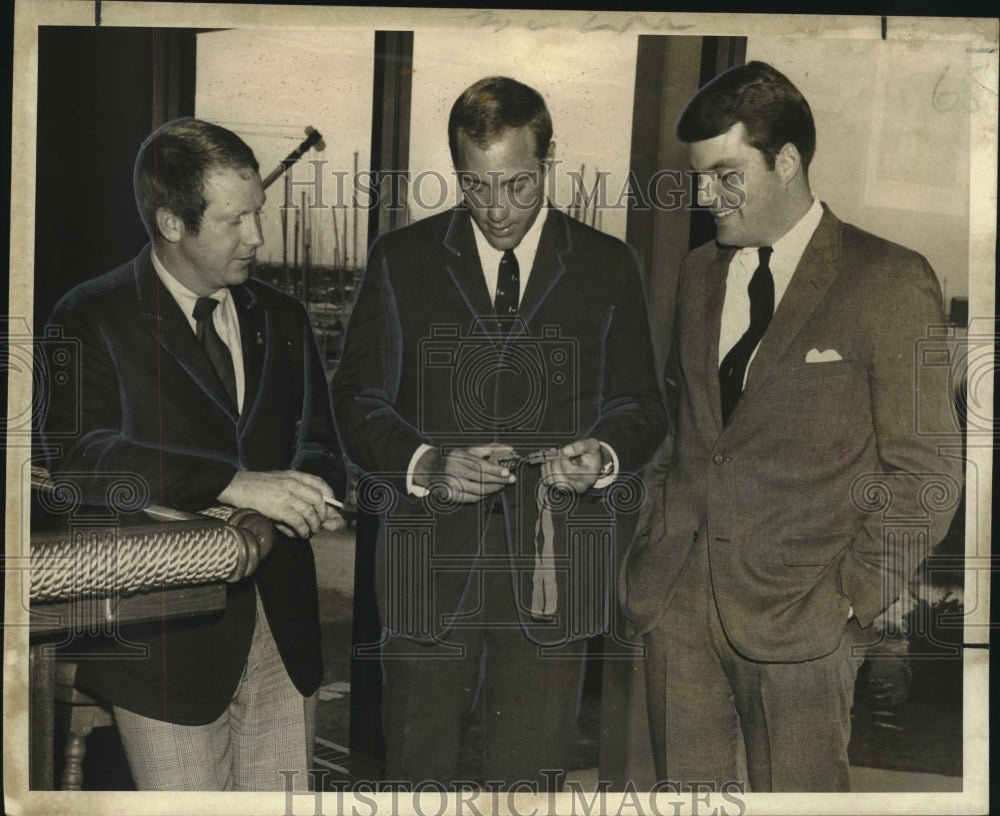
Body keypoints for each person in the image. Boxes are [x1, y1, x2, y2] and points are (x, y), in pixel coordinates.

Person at [621, 61, 963, 792]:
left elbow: (929, 472)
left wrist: (854, 595)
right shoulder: (698, 275)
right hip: (678, 609)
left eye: (725, 174)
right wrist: (653, 544)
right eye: (698, 176)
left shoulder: (889, 279)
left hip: (807, 623)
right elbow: (687, 434)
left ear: (787, 161)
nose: (704, 195)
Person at [332, 76, 667, 789]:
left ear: (549, 161)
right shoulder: (402, 260)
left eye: (517, 184)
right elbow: (356, 400)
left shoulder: (609, 266)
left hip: (553, 574)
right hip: (427, 565)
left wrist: (601, 455)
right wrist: (428, 463)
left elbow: (642, 403)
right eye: (475, 186)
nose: (496, 209)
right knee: (417, 784)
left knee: (530, 786)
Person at [42, 118, 347, 791]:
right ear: (172, 222)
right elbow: (82, 456)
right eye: (235, 220)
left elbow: (320, 441)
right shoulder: (89, 316)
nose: (258, 238)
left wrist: (312, 494)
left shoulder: (284, 317)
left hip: (284, 634)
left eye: (259, 215)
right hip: (162, 644)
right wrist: (237, 485)